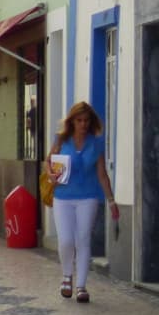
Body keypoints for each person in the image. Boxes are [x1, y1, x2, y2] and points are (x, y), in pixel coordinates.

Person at [46, 101, 116, 302]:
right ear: (72, 121)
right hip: (63, 197)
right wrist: (51, 174)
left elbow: (102, 174)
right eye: (79, 120)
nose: (83, 124)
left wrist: (111, 201)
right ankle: (67, 276)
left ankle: (81, 286)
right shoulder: (61, 139)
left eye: (86, 120)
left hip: (88, 197)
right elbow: (49, 162)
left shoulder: (96, 143)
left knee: (83, 240)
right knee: (66, 240)